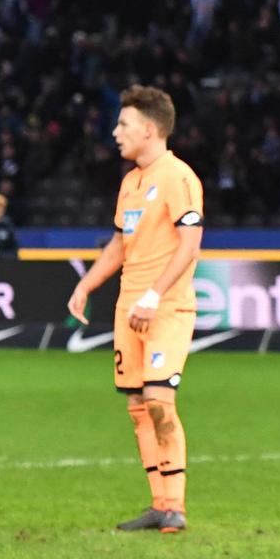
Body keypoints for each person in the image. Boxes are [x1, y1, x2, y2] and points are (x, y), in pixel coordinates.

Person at [66, 86, 205, 533]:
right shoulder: (130, 182)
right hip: (129, 310)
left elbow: (190, 245)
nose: (115, 132)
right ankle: (160, 503)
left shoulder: (178, 177)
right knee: (138, 407)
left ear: (149, 128)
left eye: (123, 124)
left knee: (161, 402)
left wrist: (154, 295)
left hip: (165, 308)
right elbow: (119, 246)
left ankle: (177, 506)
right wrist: (86, 285)